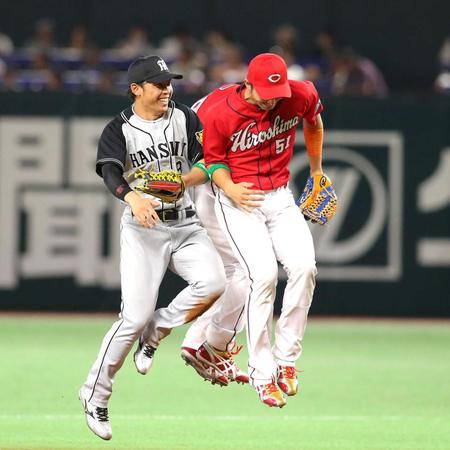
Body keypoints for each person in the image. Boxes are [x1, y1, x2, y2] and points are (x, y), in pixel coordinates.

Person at [136, 53, 325, 409]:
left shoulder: (297, 94)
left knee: (305, 267)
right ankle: (259, 371)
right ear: (248, 84)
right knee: (259, 275)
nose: (274, 98)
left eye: (279, 90)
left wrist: (316, 170)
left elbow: (313, 119)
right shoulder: (217, 110)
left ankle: (284, 360)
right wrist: (229, 188)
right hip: (230, 195)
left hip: (279, 196)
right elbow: (211, 162)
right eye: (267, 91)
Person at [78, 55, 226, 441]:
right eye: (159, 84)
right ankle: (95, 394)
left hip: (187, 223)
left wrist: (183, 180)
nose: (167, 90)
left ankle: (158, 331)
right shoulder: (118, 129)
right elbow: (109, 170)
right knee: (133, 316)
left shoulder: (186, 119)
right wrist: (132, 198)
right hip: (144, 228)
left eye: (169, 83)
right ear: (136, 89)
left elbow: (206, 163)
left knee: (213, 283)